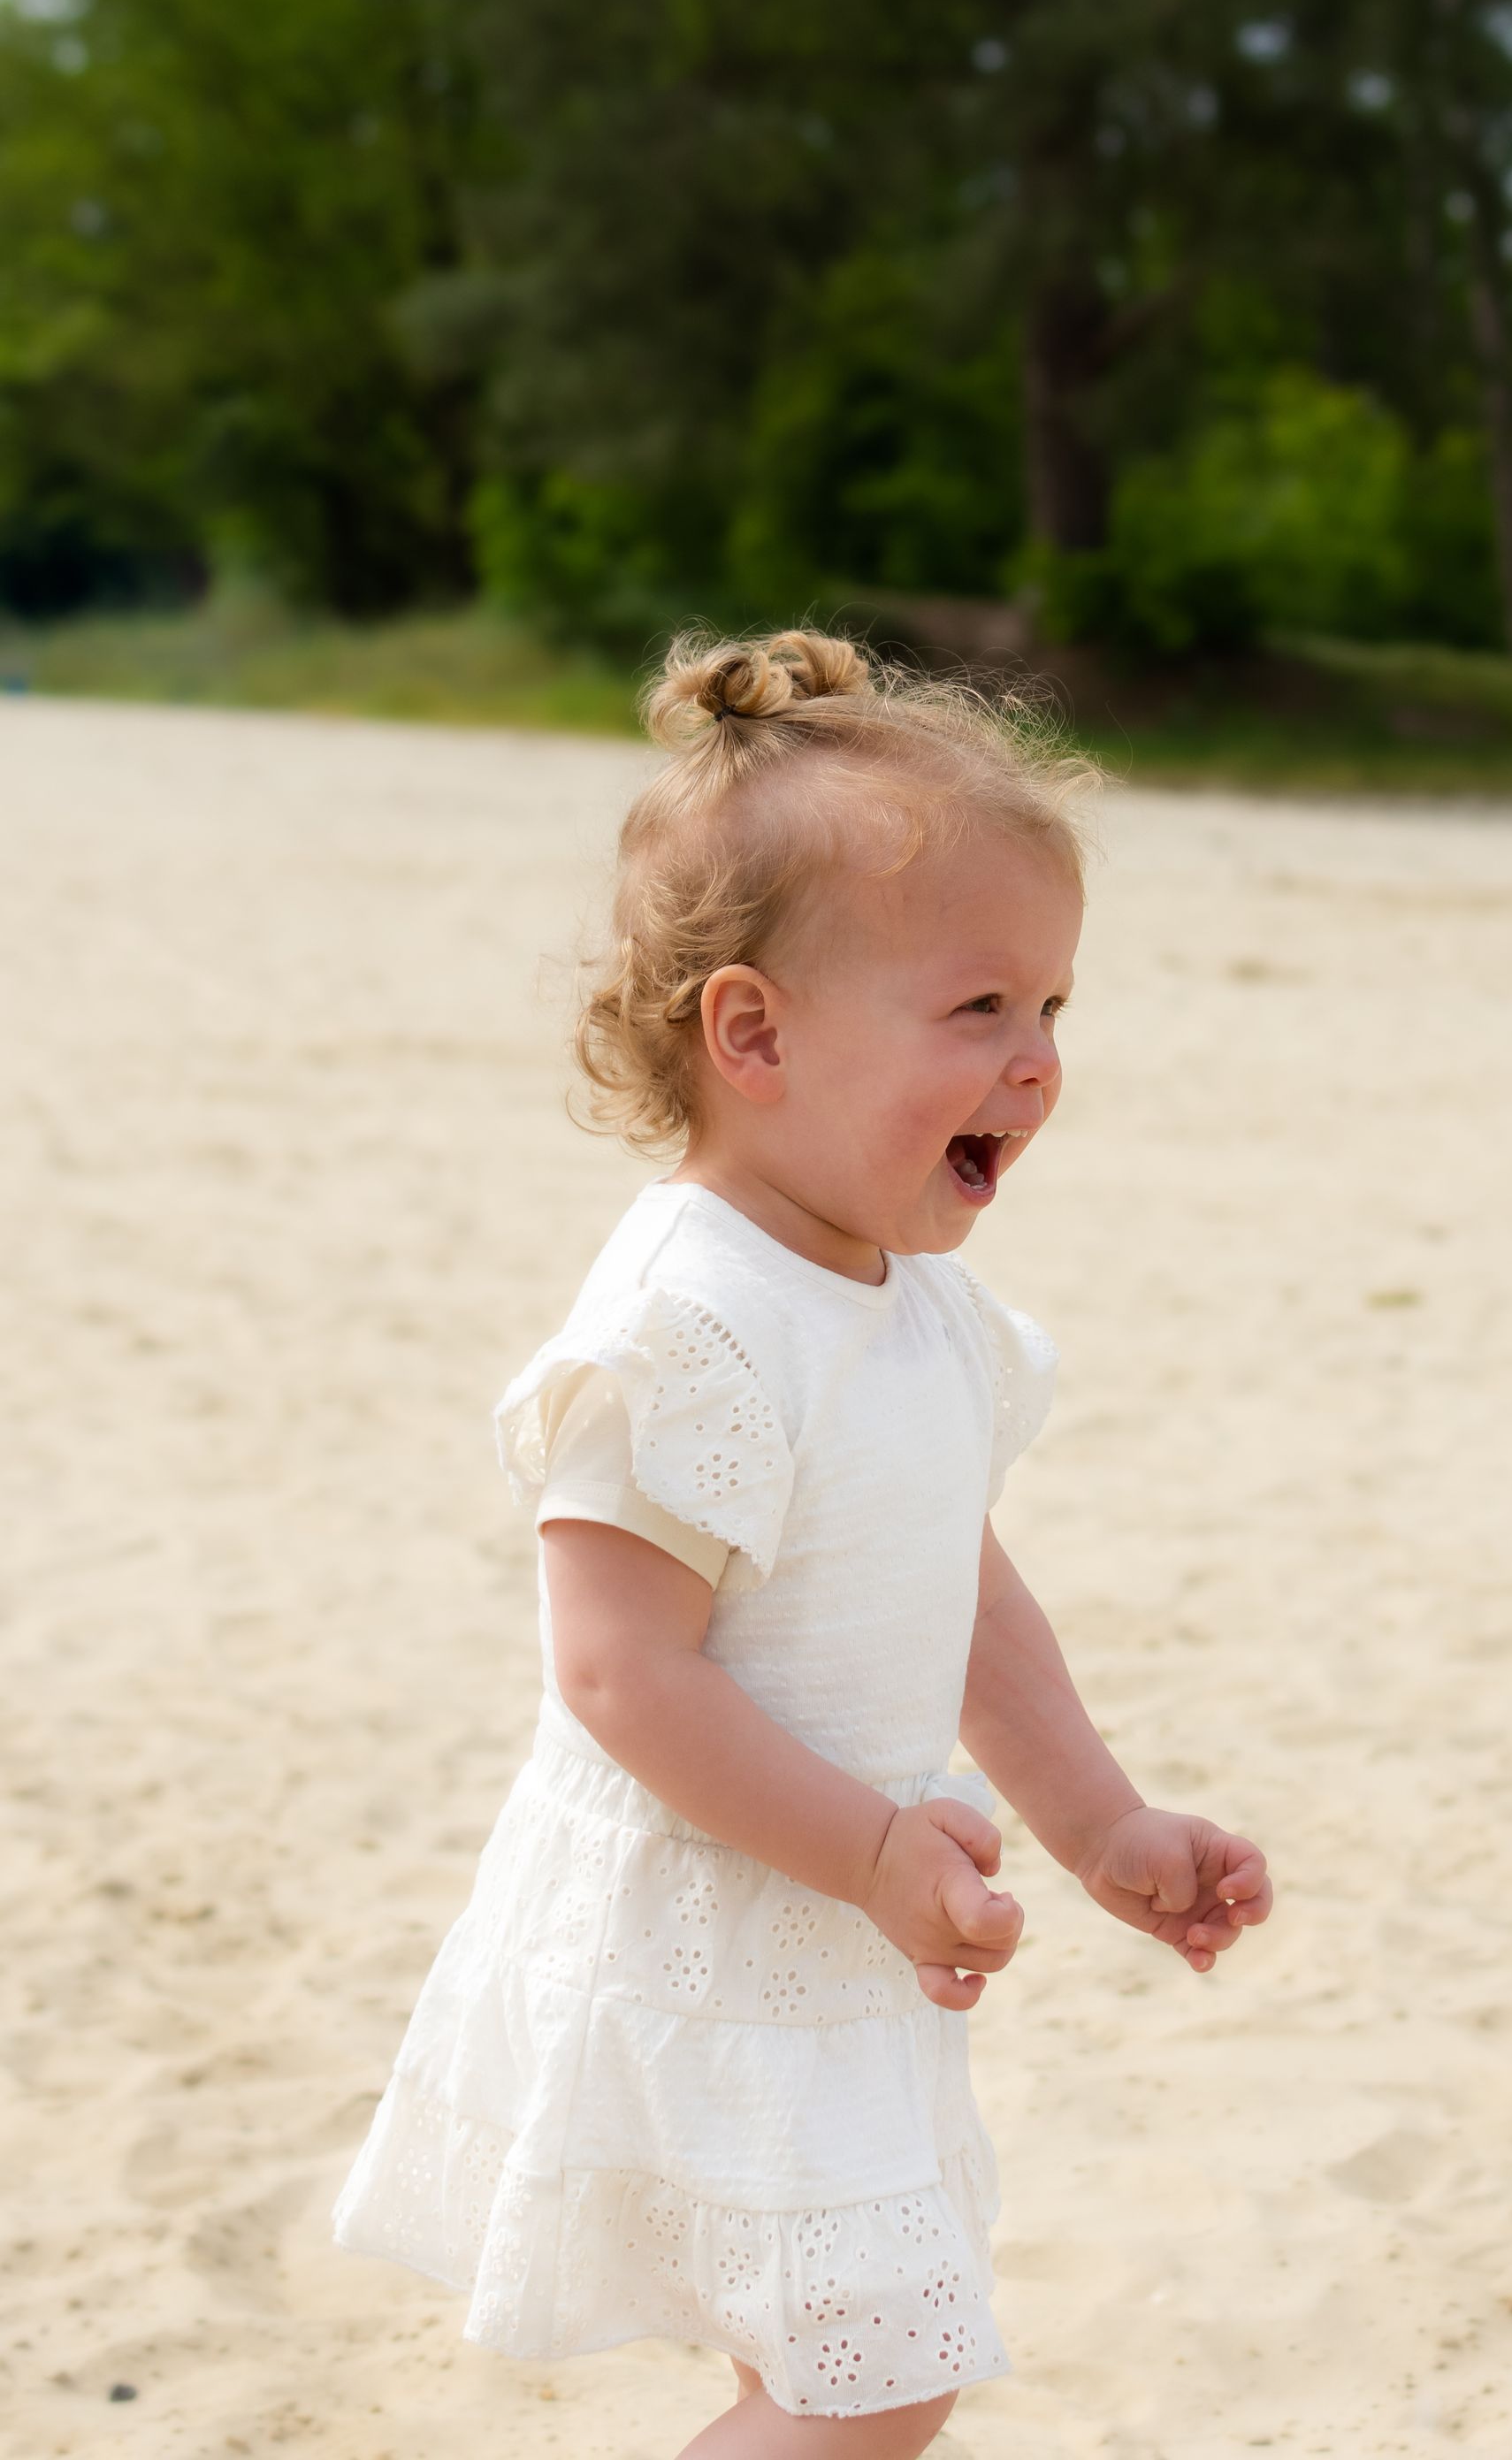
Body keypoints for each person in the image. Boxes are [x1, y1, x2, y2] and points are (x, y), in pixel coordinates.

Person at [332, 628, 1272, 2456]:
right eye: (979, 1009)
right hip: (715, 1925)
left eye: (1054, 1009)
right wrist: (867, 1854)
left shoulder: (913, 1307)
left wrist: (1102, 1824)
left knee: (850, 2369)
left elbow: (950, 1576)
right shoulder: (692, 1322)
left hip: (850, 1921)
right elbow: (618, 1668)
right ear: (753, 1034)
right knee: (870, 2376)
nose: (1037, 1065)